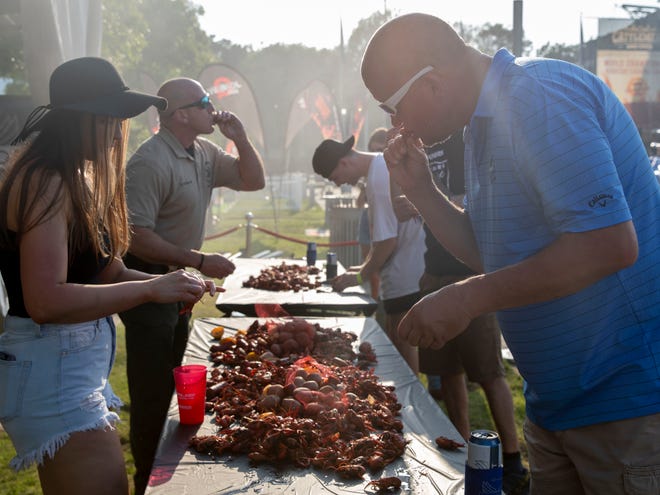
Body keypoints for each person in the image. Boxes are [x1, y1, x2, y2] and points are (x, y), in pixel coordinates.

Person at [362, 13, 660, 494]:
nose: (396, 124)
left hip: (624, 406)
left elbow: (608, 245)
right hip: (559, 405)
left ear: (432, 82)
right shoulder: (483, 125)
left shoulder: (535, 95)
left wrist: (465, 300)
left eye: (392, 107)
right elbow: (493, 257)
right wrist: (422, 191)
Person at [0, 57, 215, 495]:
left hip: (66, 367)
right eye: (116, 119)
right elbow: (45, 300)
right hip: (52, 373)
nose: (121, 131)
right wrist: (148, 288)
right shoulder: (46, 180)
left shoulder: (70, 174)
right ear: (90, 119)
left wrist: (165, 287)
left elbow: (106, 270)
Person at [118, 77, 265, 494]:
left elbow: (252, 180)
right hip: (147, 278)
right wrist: (199, 261)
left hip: (177, 277)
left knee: (176, 381)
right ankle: (148, 478)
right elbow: (135, 236)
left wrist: (241, 137)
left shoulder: (202, 150)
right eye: (204, 102)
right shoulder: (150, 161)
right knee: (153, 393)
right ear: (180, 114)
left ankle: (172, 473)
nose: (212, 108)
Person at [394, 133, 529, 494]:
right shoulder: (422, 149)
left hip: (471, 277)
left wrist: (422, 201)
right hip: (434, 275)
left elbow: (467, 205)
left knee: (488, 372)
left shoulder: (460, 141)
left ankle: (513, 460)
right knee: (446, 370)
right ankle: (460, 449)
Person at [312, 135, 425, 373]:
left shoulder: (378, 177)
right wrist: (361, 268)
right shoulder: (380, 165)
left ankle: (411, 407)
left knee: (403, 352)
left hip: (404, 274)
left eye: (335, 178)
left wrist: (359, 277)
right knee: (401, 348)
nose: (339, 184)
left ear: (343, 163)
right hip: (406, 269)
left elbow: (386, 242)